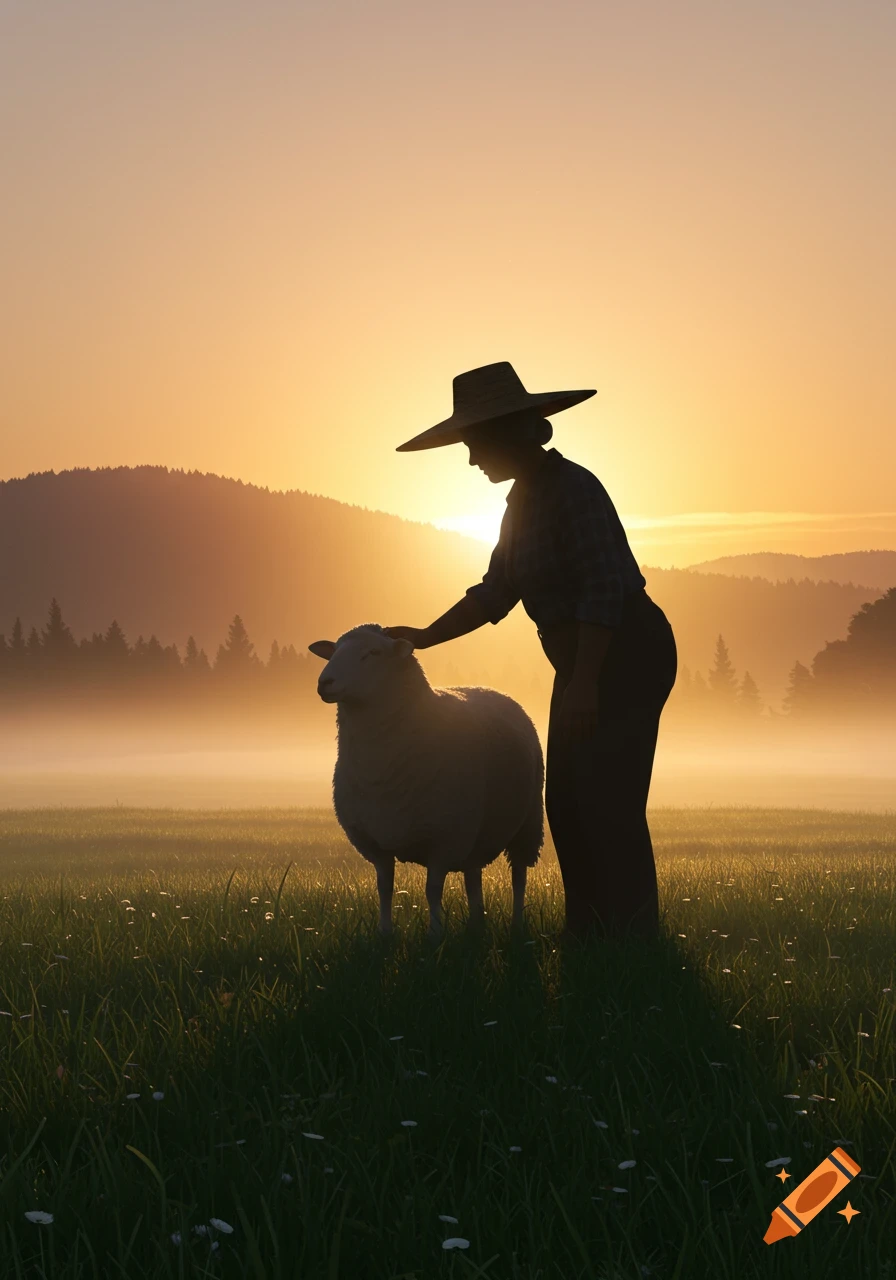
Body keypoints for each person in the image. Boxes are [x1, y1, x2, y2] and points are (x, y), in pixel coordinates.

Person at [385, 361, 677, 941]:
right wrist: (422, 637)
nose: (471, 459)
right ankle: (591, 932)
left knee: (607, 800)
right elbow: (496, 591)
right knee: (568, 804)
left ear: (511, 434)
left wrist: (587, 682)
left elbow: (602, 588)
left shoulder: (574, 489)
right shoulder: (522, 503)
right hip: (582, 661)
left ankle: (631, 938)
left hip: (621, 652)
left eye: (474, 444)